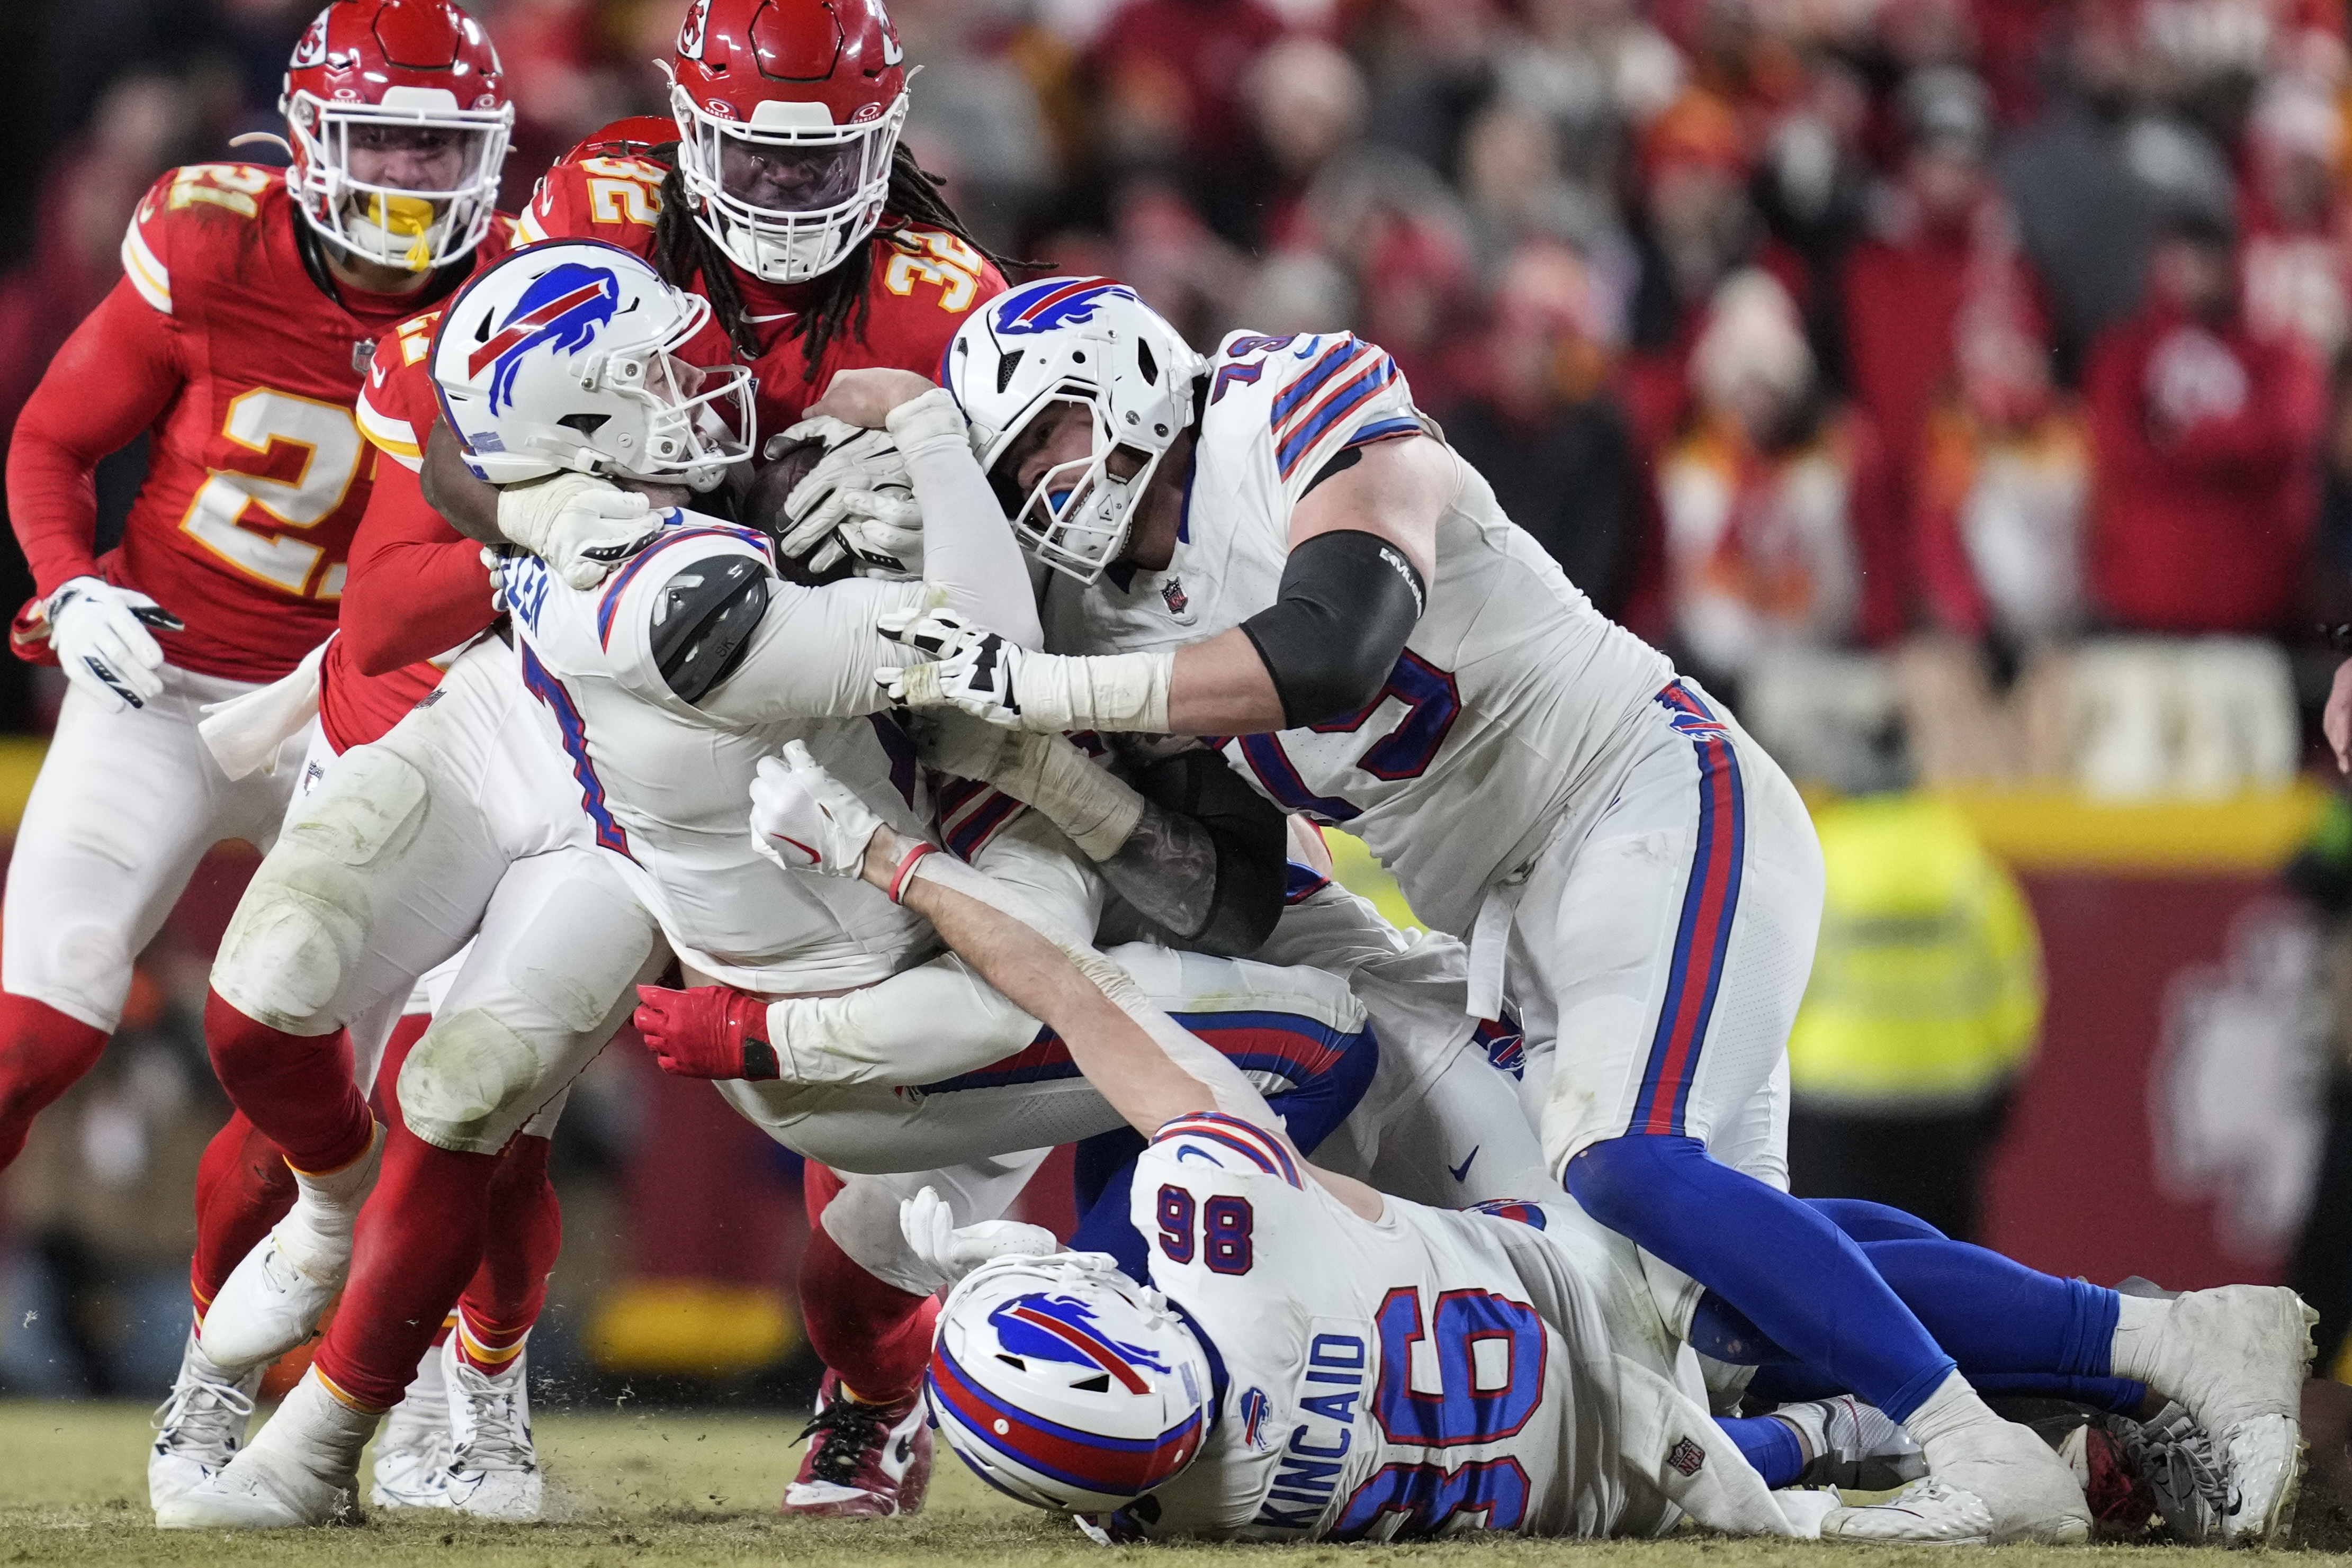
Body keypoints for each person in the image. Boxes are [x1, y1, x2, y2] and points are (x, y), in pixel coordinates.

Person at [864, 277, 2313, 1544]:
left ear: (1122, 373)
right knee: (1718, 1302)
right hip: (1518, 917)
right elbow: (1227, 890)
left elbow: (1335, 638)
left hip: (1642, 789)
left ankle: (1974, 1446)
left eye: (1049, 429)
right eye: (1015, 467)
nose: (1046, 479)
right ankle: (2165, 1343)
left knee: (1627, 1166)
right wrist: (1045, 766)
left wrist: (1037, 692)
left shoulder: (1279, 400)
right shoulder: (1129, 625)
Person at [170, 241, 1375, 1528]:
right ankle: (1225, 1375)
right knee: (1316, 1033)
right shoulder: (708, 606)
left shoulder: (599, 518)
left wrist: (542, 505)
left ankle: (313, 1442)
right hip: (864, 985)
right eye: (659, 373)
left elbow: (484, 464)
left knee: (517, 1115)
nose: (707, 386)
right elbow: (989, 664)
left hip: (795, 941)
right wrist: (921, 453)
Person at [757, 743, 2318, 1548]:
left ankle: (2059, 1385)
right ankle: (2136, 1346)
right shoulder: (1208, 1233)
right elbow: (1127, 1026)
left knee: (1738, 1313)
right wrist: (888, 857)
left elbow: (1286, 1062)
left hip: (1585, 1429)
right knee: (1687, 1235)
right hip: (1543, 1268)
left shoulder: (1170, 1507)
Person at [411, 3, 1018, 1510]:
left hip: (839, 732)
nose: (797, 200)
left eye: (828, 171)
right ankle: (471, 1378)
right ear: (686, 121)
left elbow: (1023, 606)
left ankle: (875, 1387)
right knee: (494, 1061)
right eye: (761, 159)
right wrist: (554, 521)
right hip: (601, 695)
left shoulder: (948, 293)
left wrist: (925, 517)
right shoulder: (596, 202)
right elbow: (450, 441)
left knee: (850, 1193)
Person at [0, 0, 515, 1512]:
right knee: (35, 1034)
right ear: (307, 137)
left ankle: (217, 1390)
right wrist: (66, 578)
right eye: (388, 134)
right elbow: (46, 441)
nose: (416, 176)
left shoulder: (518, 293)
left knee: (298, 1061)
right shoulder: (212, 242)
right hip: (162, 681)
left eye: (443, 139)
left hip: (361, 700)